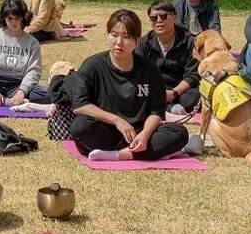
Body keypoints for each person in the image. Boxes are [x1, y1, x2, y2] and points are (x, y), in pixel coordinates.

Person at [68, 9, 189, 161]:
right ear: (107, 35)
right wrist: (117, 120)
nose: (119, 42)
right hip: (106, 131)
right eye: (113, 35)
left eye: (126, 37)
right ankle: (143, 152)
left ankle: (119, 155)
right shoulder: (92, 65)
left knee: (180, 133)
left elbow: (156, 112)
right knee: (80, 126)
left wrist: (145, 134)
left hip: (140, 133)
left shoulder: (150, 70)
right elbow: (79, 105)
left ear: (137, 41)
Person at [135, 1, 201, 116]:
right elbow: (138, 72)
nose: (159, 20)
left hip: (180, 91)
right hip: (153, 89)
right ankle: (170, 109)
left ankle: (161, 108)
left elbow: (192, 76)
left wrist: (173, 93)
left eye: (163, 16)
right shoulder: (144, 43)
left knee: (197, 94)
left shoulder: (190, 41)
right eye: (154, 18)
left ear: (174, 17)